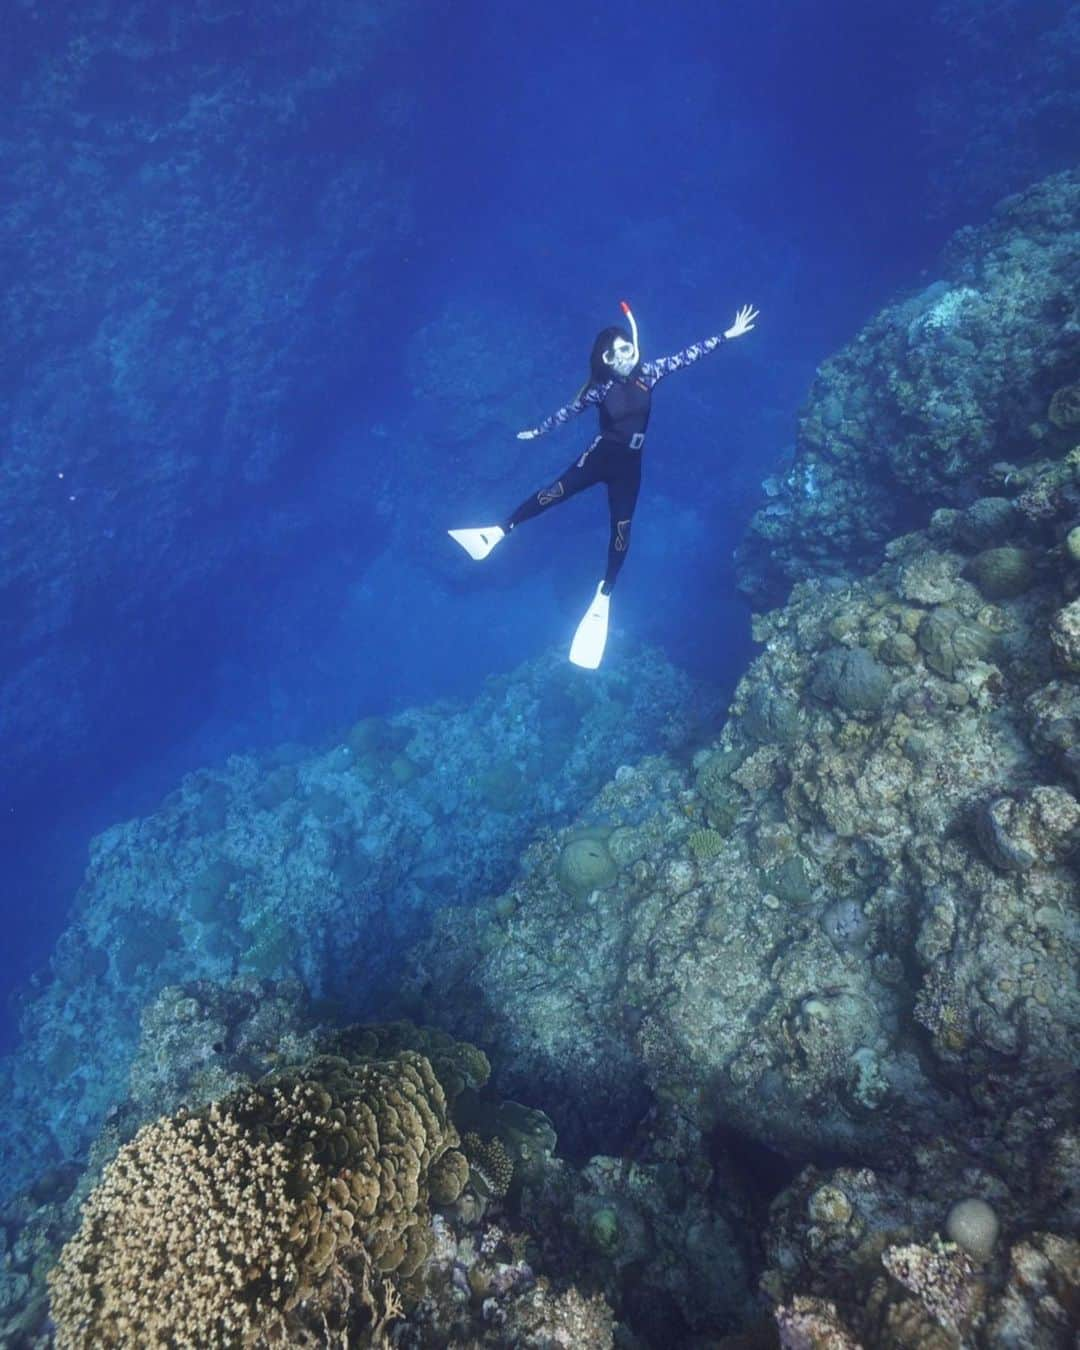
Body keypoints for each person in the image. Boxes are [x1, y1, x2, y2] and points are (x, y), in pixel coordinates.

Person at [449, 300, 759, 668]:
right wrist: (537, 431)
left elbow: (690, 355)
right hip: (599, 460)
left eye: (628, 347)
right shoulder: (599, 389)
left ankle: (605, 591)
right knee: (552, 494)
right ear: (608, 361)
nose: (627, 353)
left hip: (629, 469)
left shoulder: (651, 372)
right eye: (619, 352)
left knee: (622, 531)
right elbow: (567, 411)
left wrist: (728, 334)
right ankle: (500, 530)